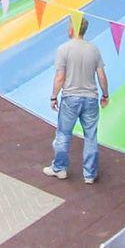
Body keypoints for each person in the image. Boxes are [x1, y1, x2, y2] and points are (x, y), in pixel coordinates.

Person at [45, 15, 109, 184]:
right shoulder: (94, 50)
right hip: (91, 98)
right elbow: (102, 76)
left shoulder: (63, 49)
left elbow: (60, 77)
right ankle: (90, 174)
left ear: (72, 29)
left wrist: (53, 96)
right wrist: (105, 95)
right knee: (91, 136)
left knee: (63, 134)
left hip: (70, 98)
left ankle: (59, 168)